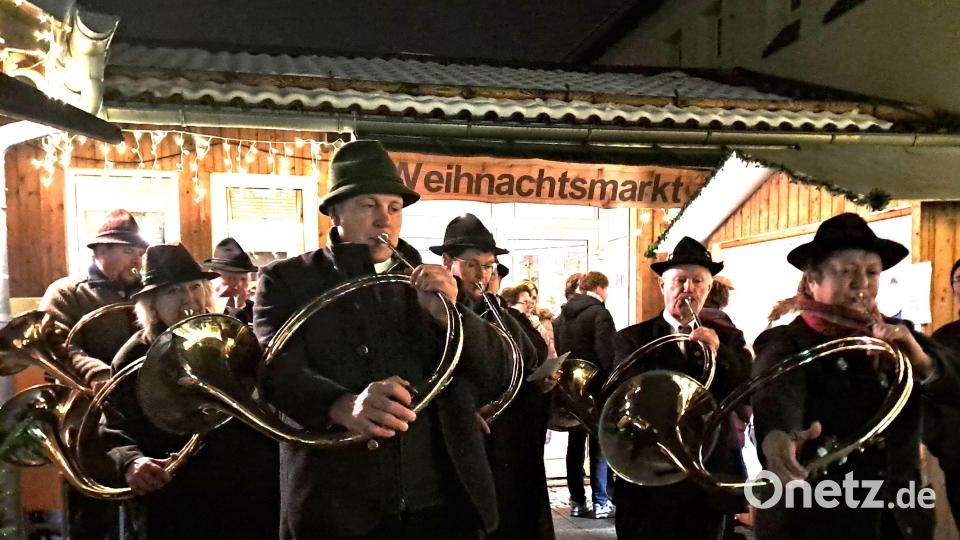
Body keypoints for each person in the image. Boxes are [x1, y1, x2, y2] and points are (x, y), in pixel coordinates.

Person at [253, 141, 512, 540]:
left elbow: (496, 374)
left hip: (439, 504)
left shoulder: (434, 285)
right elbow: (273, 370)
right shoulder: (287, 279)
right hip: (337, 502)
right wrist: (339, 405)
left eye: (394, 208)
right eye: (368, 206)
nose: (383, 221)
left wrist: (449, 316)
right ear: (336, 211)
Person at [753, 213, 960, 540]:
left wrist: (920, 361)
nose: (861, 283)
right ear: (812, 280)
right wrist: (778, 437)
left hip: (899, 520)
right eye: (847, 272)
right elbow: (776, 394)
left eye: (871, 272)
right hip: (817, 520)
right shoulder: (788, 341)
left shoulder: (899, 335)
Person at [99, 243, 280, 539]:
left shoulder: (228, 337)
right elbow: (115, 428)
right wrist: (133, 462)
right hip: (178, 495)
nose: (189, 299)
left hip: (248, 489)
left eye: (195, 287)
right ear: (152, 304)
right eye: (173, 292)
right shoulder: (132, 357)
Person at [612, 237, 751, 539]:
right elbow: (629, 395)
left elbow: (745, 389)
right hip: (652, 472)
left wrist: (719, 353)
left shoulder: (729, 338)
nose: (688, 289)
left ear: (709, 289)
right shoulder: (632, 339)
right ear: (663, 286)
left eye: (697, 281)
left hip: (709, 471)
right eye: (680, 281)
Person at [433, 213, 555, 540]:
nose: (482, 276)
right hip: (458, 449)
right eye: (471, 265)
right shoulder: (430, 311)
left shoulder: (506, 315)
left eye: (488, 267)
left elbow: (532, 361)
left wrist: (543, 383)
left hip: (511, 444)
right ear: (447, 263)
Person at [39, 208, 148, 540]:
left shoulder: (146, 292)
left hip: (139, 418)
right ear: (101, 251)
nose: (138, 260)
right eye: (129, 251)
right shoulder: (66, 293)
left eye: (140, 252)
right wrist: (95, 371)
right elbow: (55, 344)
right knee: (92, 514)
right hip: (86, 422)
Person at [555, 271, 617, 519]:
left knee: (575, 444)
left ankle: (577, 501)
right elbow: (606, 355)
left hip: (571, 388)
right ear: (601, 288)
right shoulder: (600, 313)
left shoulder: (562, 316)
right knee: (599, 445)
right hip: (595, 387)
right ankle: (601, 501)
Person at [927, 257, 960, 523]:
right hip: (958, 461)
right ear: (952, 289)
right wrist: (940, 441)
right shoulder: (942, 339)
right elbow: (927, 397)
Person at [203, 237, 258, 324]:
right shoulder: (200, 312)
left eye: (243, 280)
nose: (237, 286)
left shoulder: (258, 313)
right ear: (212, 280)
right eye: (230, 279)